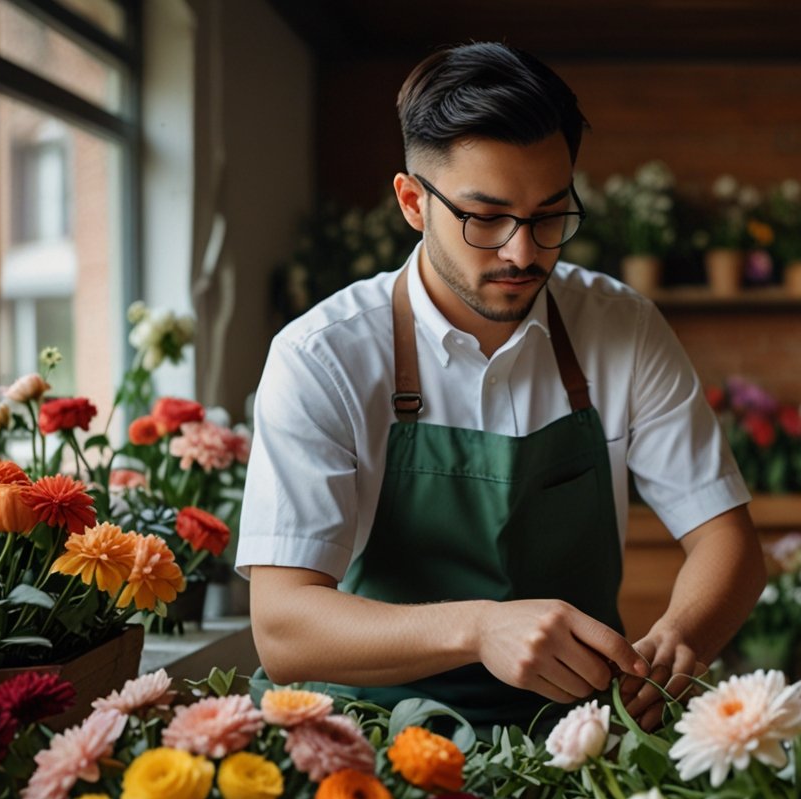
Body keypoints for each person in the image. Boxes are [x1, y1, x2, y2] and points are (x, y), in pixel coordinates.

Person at [238, 42, 766, 731]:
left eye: (550, 216)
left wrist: (681, 639)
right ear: (412, 202)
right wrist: (481, 629)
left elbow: (729, 542)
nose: (523, 252)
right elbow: (283, 629)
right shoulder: (321, 357)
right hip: (373, 738)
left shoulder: (622, 327)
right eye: (485, 219)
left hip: (576, 734)